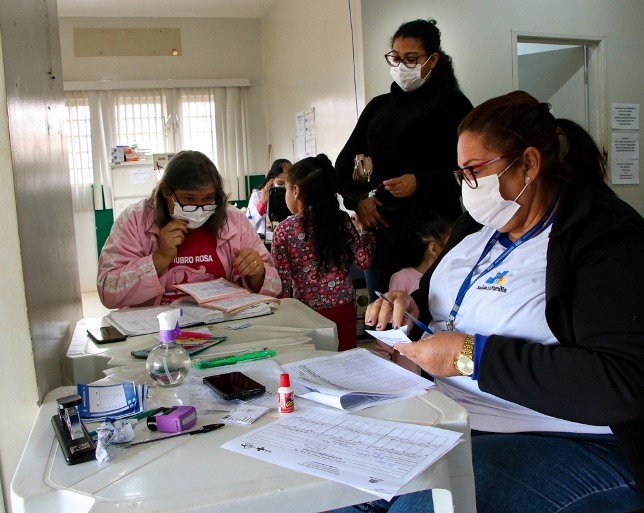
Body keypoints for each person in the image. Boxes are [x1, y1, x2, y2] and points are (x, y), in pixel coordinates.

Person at [335, 91, 644, 513]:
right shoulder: (481, 225)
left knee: (422, 507)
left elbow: (620, 383)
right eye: (460, 173)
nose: (466, 186)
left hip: (564, 435)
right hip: (449, 415)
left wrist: (468, 355)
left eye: (474, 170)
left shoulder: (606, 238)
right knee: (340, 490)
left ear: (530, 164)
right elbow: (435, 301)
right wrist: (406, 307)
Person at [334, 18, 472, 301]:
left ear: (432, 60)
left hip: (433, 235)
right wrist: (359, 199)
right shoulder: (378, 107)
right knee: (383, 317)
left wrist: (420, 183)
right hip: (383, 233)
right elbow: (343, 164)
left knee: (435, 312)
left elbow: (472, 173)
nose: (401, 66)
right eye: (396, 58)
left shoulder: (454, 105)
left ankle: (445, 348)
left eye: (411, 59)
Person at [97, 150, 281, 309]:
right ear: (166, 191)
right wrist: (159, 258)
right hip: (157, 328)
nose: (200, 209)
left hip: (222, 322)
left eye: (208, 198)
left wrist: (257, 273)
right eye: (189, 199)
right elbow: (108, 290)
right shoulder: (135, 220)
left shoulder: (234, 220)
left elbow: (274, 286)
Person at [271, 154, 375, 351]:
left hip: (306, 312)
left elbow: (282, 287)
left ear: (295, 191)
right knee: (345, 361)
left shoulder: (284, 230)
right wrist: (366, 232)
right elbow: (363, 261)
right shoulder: (342, 221)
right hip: (343, 306)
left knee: (313, 365)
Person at [373, 213, 452, 372]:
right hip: (410, 366)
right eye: (451, 243)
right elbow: (390, 324)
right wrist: (381, 362)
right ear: (434, 248)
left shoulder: (448, 277)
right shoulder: (403, 278)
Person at [247, 158, 292, 235]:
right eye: (280, 183)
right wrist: (261, 203)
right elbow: (248, 224)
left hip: (288, 236)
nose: (284, 187)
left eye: (288, 184)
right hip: (265, 238)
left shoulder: (293, 194)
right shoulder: (258, 194)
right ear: (272, 179)